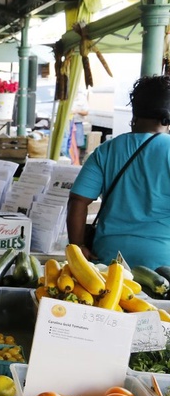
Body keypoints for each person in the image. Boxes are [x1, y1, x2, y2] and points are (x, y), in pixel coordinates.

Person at [67, 75, 170, 269]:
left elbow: (78, 201)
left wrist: (78, 245)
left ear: (134, 112)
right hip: (164, 263)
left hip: (110, 260)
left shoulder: (106, 150)